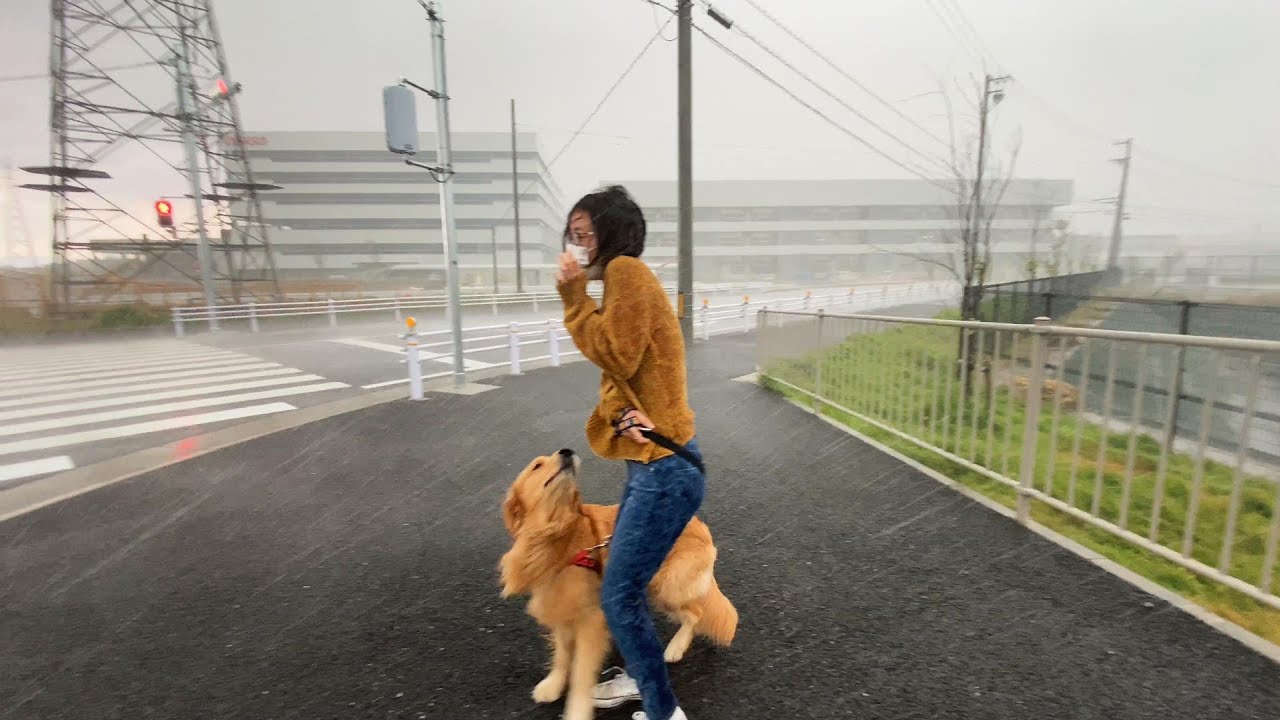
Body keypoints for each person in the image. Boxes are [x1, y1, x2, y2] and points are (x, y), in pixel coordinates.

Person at [556, 185, 703, 720]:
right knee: (624, 584)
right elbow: (626, 368)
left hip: (665, 469)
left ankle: (663, 711)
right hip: (655, 465)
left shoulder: (626, 273)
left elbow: (615, 350)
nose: (577, 243)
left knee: (618, 595)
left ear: (613, 230)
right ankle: (642, 676)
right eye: (573, 233)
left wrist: (573, 296)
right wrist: (623, 416)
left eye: (585, 231)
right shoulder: (621, 282)